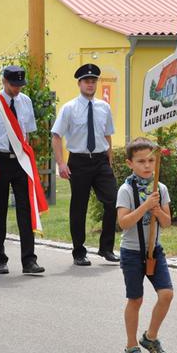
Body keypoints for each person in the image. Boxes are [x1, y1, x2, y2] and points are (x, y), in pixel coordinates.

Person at [0, 65, 44, 275]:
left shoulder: (25, 101)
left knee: (26, 209)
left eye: (20, 85)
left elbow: (27, 133)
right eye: (13, 85)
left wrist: (27, 158)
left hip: (20, 160)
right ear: (4, 81)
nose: (17, 89)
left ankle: (29, 260)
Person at [51, 64, 119, 266]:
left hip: (100, 161)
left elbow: (107, 134)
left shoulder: (103, 107)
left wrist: (109, 159)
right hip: (79, 161)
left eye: (93, 81)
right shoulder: (69, 108)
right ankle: (79, 251)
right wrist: (61, 163)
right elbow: (56, 137)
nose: (91, 85)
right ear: (79, 83)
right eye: (87, 81)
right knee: (78, 207)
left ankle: (106, 248)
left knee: (112, 201)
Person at [116, 138, 173, 353]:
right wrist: (145, 206)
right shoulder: (126, 190)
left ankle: (150, 337)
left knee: (166, 294)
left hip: (154, 251)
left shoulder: (160, 188)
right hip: (131, 252)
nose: (147, 166)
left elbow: (167, 223)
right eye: (141, 161)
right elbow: (124, 222)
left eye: (151, 160)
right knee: (136, 299)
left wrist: (157, 209)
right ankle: (131, 346)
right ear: (130, 163)